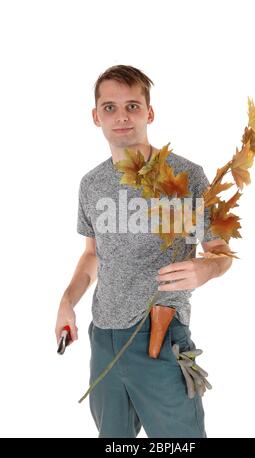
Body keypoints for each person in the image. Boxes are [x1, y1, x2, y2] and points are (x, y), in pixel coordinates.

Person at [55, 65, 233, 438]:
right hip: (103, 337)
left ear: (149, 113)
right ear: (96, 116)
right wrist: (67, 301)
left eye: (133, 105)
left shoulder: (186, 175)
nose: (121, 116)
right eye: (110, 107)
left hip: (161, 336)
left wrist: (206, 268)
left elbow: (219, 249)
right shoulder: (91, 184)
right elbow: (92, 254)